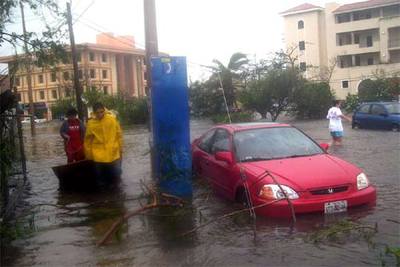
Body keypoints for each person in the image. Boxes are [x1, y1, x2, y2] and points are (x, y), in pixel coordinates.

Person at [84, 102, 123, 186]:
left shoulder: (112, 119)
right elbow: (88, 140)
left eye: (101, 112)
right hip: (98, 155)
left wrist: (120, 149)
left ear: (104, 110)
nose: (100, 114)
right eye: (97, 112)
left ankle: (118, 193)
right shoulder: (91, 123)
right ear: (94, 112)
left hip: (113, 153)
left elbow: (119, 134)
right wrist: (89, 156)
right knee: (100, 178)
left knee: (117, 175)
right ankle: (103, 193)